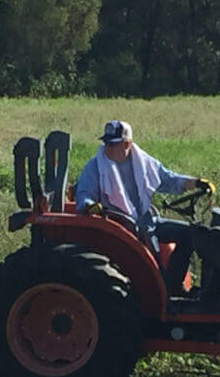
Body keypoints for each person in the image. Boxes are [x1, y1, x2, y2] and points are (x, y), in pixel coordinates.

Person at [74, 119, 212, 296]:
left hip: (146, 220)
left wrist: (196, 183)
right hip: (120, 224)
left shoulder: (143, 162)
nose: (107, 148)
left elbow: (167, 179)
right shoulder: (95, 167)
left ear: (127, 144)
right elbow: (84, 194)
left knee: (191, 233)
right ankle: (161, 292)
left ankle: (174, 286)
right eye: (106, 143)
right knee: (150, 245)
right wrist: (90, 205)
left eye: (113, 144)